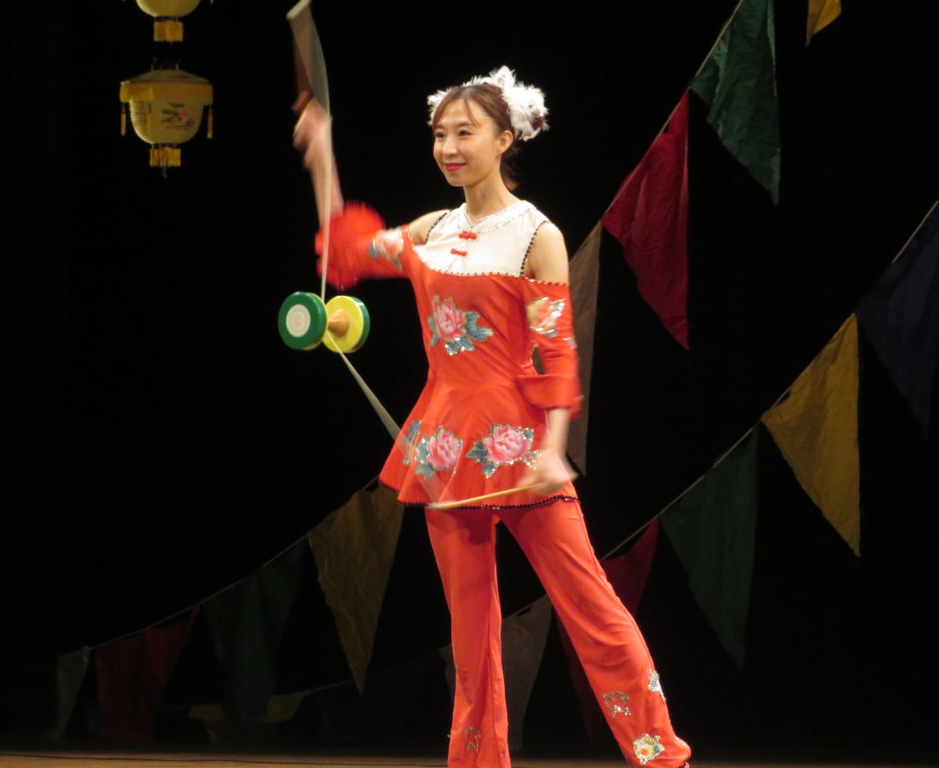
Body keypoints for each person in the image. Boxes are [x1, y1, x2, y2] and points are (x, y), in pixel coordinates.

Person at [293, 66, 691, 768]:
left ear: (505, 139)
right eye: (439, 135)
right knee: (470, 632)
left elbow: (556, 351)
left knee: (592, 609)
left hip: (518, 444)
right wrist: (321, 154)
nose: (448, 148)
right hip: (445, 447)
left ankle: (661, 755)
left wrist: (554, 446)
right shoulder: (433, 230)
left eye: (465, 133)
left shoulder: (536, 234)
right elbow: (348, 253)